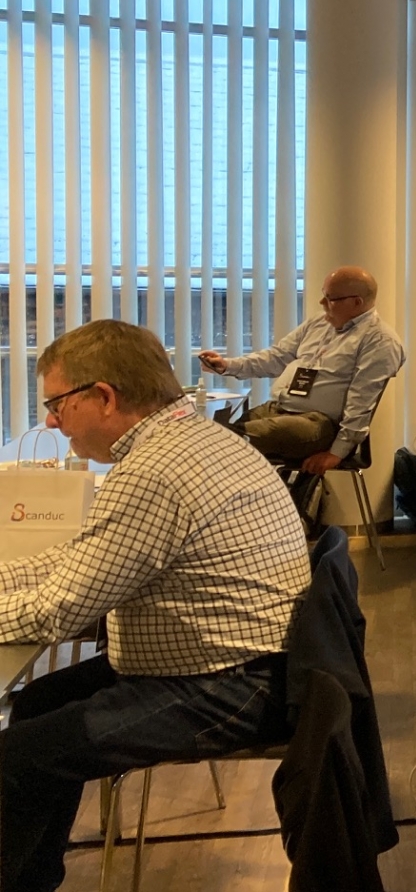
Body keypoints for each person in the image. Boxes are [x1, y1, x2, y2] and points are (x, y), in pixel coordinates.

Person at [4, 320, 311, 892]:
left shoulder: (154, 472)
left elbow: (57, 612)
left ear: (104, 396)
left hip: (232, 686)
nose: (50, 423)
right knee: (39, 704)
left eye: (56, 405)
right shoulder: (193, 441)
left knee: (16, 762)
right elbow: (82, 559)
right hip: (239, 664)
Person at [198, 265, 406, 475]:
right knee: (218, 434)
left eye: (330, 298)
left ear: (356, 302)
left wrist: (337, 453)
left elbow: (361, 403)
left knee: (229, 441)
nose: (322, 303)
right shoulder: (318, 323)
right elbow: (277, 357)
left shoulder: (379, 341)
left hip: (319, 424)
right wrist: (227, 365)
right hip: (279, 408)